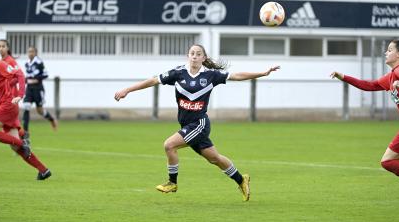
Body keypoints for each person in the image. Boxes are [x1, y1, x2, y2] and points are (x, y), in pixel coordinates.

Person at [114, 44, 280, 201]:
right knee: (215, 159)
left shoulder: (210, 75)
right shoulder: (178, 73)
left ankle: (172, 183)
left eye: (198, 54)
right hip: (186, 126)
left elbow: (236, 76)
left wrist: (262, 73)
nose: (194, 56)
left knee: (169, 145)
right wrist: (127, 90)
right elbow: (152, 81)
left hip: (199, 124)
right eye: (192, 53)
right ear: (188, 56)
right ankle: (241, 180)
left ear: (203, 58)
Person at [331, 36, 399, 205]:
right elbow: (368, 85)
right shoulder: (390, 77)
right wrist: (343, 76)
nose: (386, 52)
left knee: (387, 161)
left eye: (390, 50)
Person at [0, 42, 51, 180]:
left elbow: (20, 75)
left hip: (8, 105)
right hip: (3, 107)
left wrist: (20, 95)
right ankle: (43, 170)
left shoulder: (0, 65)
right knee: (15, 148)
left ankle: (22, 143)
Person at [23, 46, 58, 142]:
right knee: (26, 106)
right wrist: (24, 80)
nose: (30, 53)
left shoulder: (39, 62)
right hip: (29, 89)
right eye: (29, 51)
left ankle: (51, 119)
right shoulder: (27, 64)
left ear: (36, 53)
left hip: (38, 89)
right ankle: (25, 132)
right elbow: (27, 77)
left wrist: (36, 79)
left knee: (40, 111)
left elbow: (46, 74)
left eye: (32, 51)